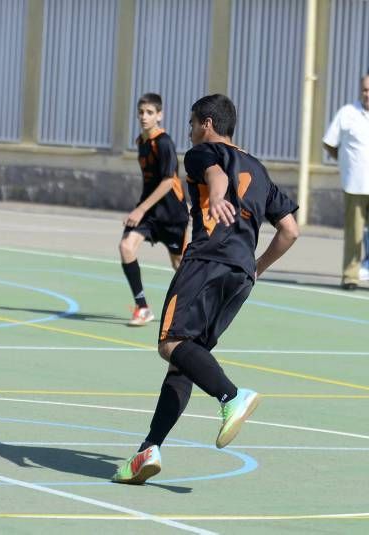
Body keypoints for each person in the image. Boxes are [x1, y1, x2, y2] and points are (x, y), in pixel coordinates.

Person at [112, 94, 299, 484]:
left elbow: (216, 174)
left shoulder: (202, 152)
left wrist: (216, 193)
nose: (190, 129)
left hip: (208, 260)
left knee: (170, 343)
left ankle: (232, 396)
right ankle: (149, 448)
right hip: (240, 274)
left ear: (208, 123)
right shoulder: (260, 170)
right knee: (187, 359)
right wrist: (257, 267)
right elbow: (290, 230)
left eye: (193, 122)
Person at [119, 93, 189, 326]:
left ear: (159, 115)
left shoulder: (164, 142)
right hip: (149, 213)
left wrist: (140, 209)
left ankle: (190, 310)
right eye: (141, 112)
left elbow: (169, 181)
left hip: (172, 214)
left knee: (179, 264)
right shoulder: (141, 143)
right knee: (126, 247)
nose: (144, 117)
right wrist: (141, 209)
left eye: (149, 112)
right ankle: (143, 308)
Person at [323, 73, 369, 291]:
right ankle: (350, 276)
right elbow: (330, 143)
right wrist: (345, 161)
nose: (367, 94)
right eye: (365, 89)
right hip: (356, 184)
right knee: (354, 232)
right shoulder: (347, 113)